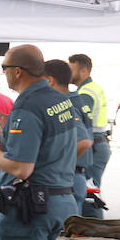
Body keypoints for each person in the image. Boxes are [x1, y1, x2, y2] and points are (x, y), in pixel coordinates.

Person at [0, 45, 77, 240]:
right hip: (62, 204)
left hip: (33, 211)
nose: (4, 73)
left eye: (4, 68)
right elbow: (45, 143)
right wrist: (3, 135)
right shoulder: (60, 99)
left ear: (17, 71)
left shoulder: (28, 106)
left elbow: (20, 168)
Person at [44, 60, 94, 216]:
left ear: (49, 81)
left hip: (71, 177)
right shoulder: (74, 99)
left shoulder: (67, 104)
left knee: (66, 233)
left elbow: (84, 142)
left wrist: (62, 164)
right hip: (75, 176)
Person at [68, 53, 111, 217]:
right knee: (90, 193)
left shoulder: (86, 94)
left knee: (89, 195)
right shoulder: (92, 88)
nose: (68, 73)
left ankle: (94, 236)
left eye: (71, 69)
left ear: (84, 70)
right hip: (98, 144)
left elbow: (81, 124)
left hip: (93, 147)